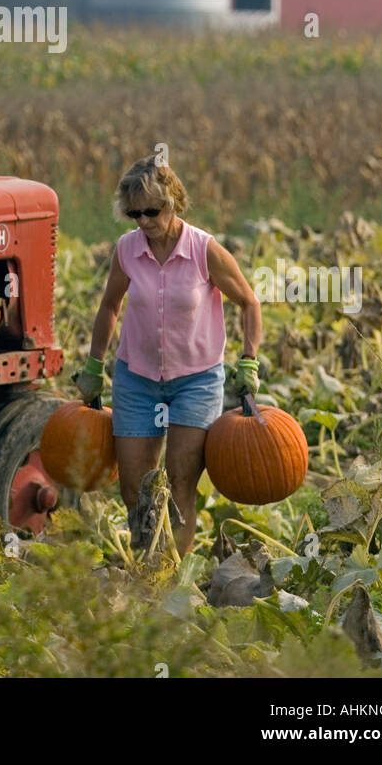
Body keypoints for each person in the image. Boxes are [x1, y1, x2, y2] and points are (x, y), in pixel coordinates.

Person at [76, 155, 262, 555]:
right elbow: (110, 306)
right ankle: (148, 564)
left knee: (180, 484)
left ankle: (172, 576)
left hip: (195, 381)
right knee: (134, 487)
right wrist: (93, 366)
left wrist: (248, 360)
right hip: (136, 378)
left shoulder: (203, 250)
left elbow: (249, 302)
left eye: (151, 211)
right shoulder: (127, 250)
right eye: (134, 213)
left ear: (173, 201)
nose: (143, 221)